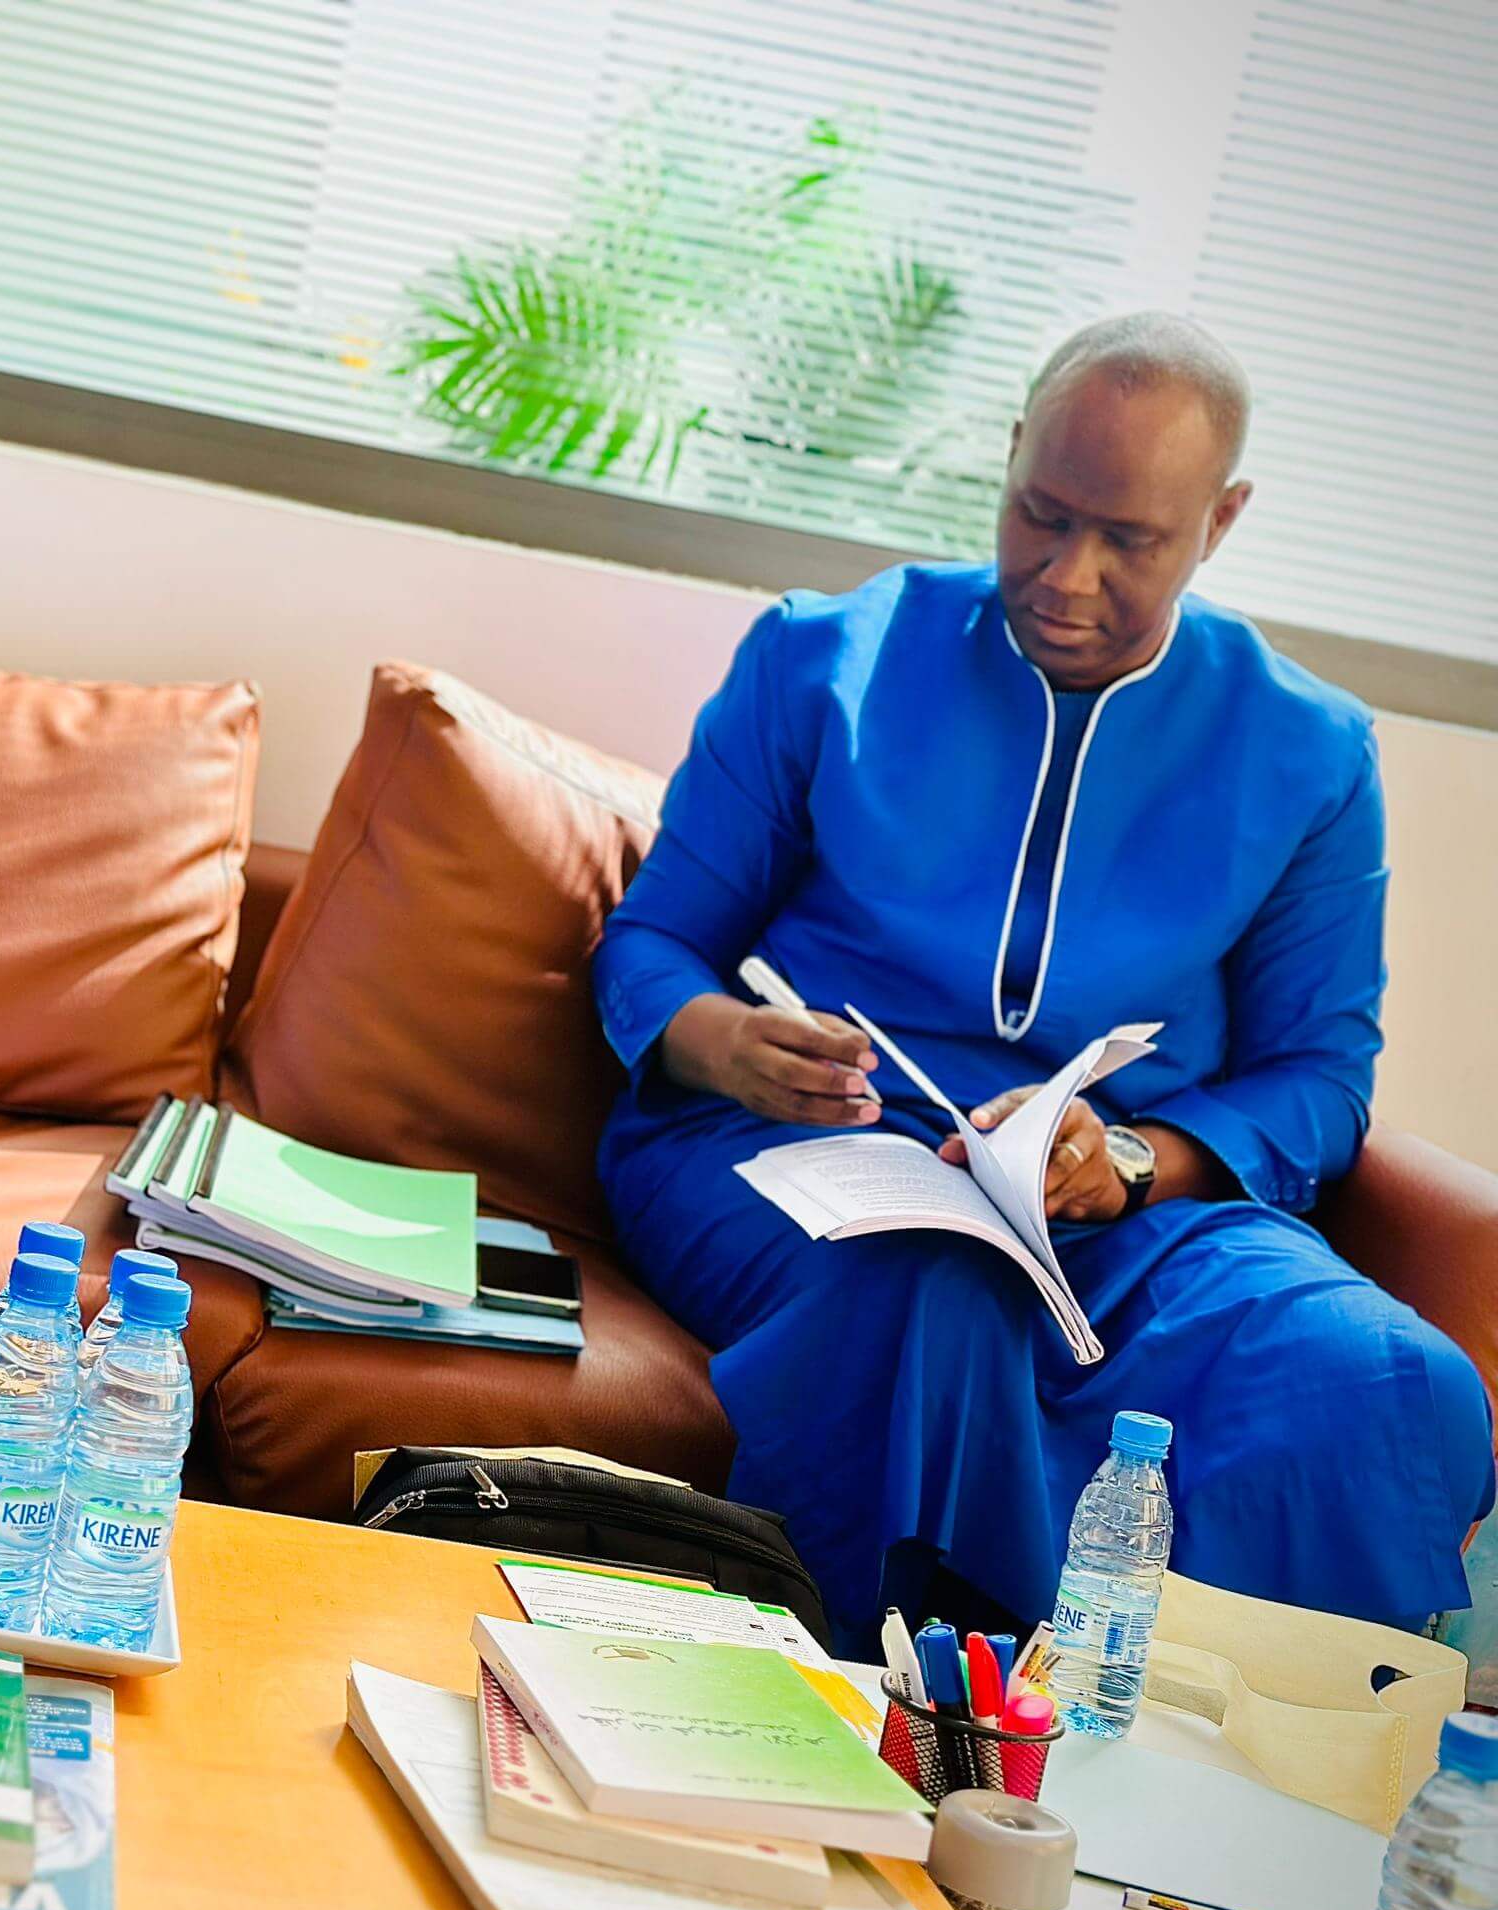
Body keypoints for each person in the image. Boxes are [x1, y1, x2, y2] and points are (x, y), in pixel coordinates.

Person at [594, 313, 1494, 1649]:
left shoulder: (1309, 753)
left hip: (1127, 1215)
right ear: (1013, 455)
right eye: (1041, 515)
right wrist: (721, 1040)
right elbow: (650, 942)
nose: (1068, 577)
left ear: (1220, 520)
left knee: (1387, 1377)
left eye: (1128, 539)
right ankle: (906, 1728)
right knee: (932, 1291)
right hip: (801, 1157)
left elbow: (1316, 1078)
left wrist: (1125, 1159)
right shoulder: (823, 659)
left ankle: (1214, 1772)